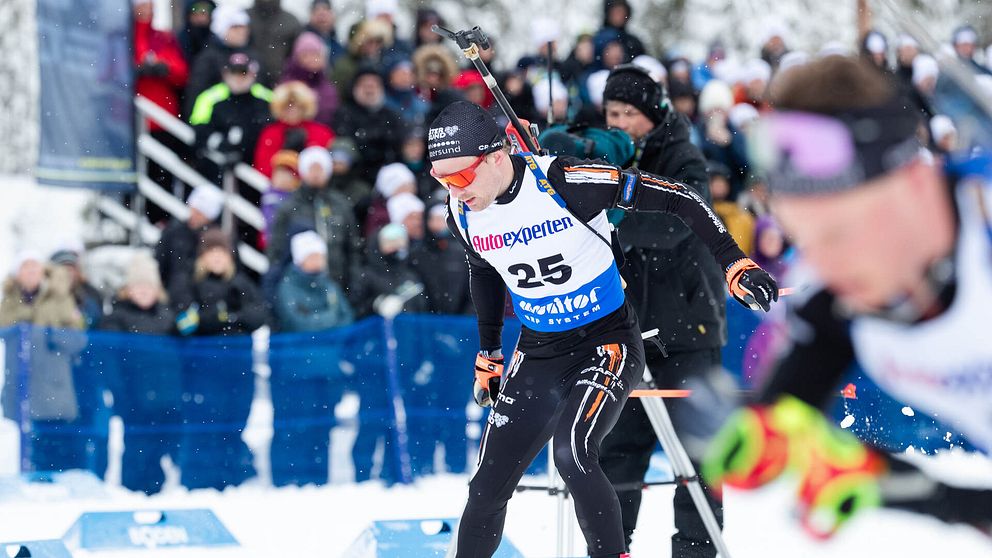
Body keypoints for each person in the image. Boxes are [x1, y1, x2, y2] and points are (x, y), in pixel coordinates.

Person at [428, 101, 777, 558]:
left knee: (572, 454)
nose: (452, 190)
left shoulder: (566, 181)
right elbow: (485, 271)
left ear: (496, 156)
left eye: (459, 176)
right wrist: (490, 352)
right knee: (486, 486)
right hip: (539, 349)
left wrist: (735, 263)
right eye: (440, 179)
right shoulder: (464, 211)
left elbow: (683, 198)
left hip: (605, 341)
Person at [703, 55, 992, 539]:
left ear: (917, 184)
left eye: (840, 234)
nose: (824, 266)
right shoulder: (831, 290)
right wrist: (771, 437)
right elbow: (786, 413)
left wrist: (917, 492)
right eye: (805, 240)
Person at [594, 64, 735, 557]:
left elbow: (679, 223)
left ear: (652, 114)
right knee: (617, 453)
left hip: (688, 330)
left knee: (701, 456)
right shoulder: (605, 156)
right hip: (630, 331)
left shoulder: (683, 156)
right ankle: (609, 546)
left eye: (629, 112)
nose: (619, 122)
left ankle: (696, 551)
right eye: (612, 112)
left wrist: (612, 212)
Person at [177, 228, 266, 490]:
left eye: (222, 252)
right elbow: (186, 322)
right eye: (211, 252)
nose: (217, 258)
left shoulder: (242, 284)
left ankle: (233, 474)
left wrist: (230, 318)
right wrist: (219, 319)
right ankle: (202, 478)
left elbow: (258, 315)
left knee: (235, 422)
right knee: (206, 426)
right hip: (203, 372)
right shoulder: (190, 285)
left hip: (238, 370)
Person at [270, 230, 353, 487]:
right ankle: (287, 478)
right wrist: (327, 324)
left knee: (322, 428)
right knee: (294, 428)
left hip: (327, 372)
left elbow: (346, 319)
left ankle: (318, 477)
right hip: (296, 374)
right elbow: (300, 322)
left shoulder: (330, 286)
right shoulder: (287, 286)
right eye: (312, 256)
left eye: (320, 256)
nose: (317, 261)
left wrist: (322, 324)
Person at [100, 254, 180, 495]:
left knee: (161, 446)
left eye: (149, 286)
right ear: (128, 289)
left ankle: (157, 489)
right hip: (134, 397)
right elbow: (109, 360)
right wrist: (120, 393)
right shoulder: (116, 318)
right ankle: (133, 491)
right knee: (136, 447)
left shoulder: (168, 317)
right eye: (139, 286)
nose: (144, 291)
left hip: (166, 397)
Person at [266, 146, 363, 307]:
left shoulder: (340, 204)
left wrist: (354, 285)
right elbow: (276, 251)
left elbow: (353, 249)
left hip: (338, 287)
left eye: (321, 168)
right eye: (312, 168)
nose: (316, 174)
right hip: (300, 292)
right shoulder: (289, 208)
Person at [154, 185, 225, 311]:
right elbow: (159, 263)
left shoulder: (218, 238)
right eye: (193, 209)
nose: (194, 215)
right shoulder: (173, 232)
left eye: (201, 213)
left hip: (208, 301)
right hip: (175, 299)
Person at [253, 81, 335, 178]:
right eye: (287, 106)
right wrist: (286, 162)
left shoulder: (321, 132)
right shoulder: (271, 133)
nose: (293, 110)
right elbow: (263, 167)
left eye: (298, 106)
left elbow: (328, 165)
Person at [183, 4, 252, 116]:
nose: (242, 31)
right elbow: (196, 95)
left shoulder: (252, 55)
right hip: (218, 124)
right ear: (222, 29)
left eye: (244, 27)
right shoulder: (208, 59)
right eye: (235, 27)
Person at [279, 32, 340, 128]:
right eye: (305, 54)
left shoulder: (327, 86)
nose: (311, 59)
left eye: (315, 54)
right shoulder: (288, 86)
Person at [247, 0, 302, 87]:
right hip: (246, 83)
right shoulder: (243, 18)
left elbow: (297, 57)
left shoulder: (291, 22)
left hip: (281, 83)